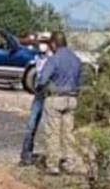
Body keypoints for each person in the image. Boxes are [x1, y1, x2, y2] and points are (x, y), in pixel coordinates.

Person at [35, 32, 82, 175]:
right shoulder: (76, 59)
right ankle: (70, 163)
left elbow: (42, 79)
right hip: (72, 98)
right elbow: (80, 81)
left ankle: (53, 165)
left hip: (56, 98)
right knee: (69, 132)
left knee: (53, 132)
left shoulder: (54, 59)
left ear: (54, 44)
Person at [19, 36, 52, 166]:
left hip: (49, 93)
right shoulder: (37, 57)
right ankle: (26, 155)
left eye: (44, 43)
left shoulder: (52, 58)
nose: (41, 45)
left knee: (50, 127)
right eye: (40, 43)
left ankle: (51, 158)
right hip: (39, 92)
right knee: (31, 124)